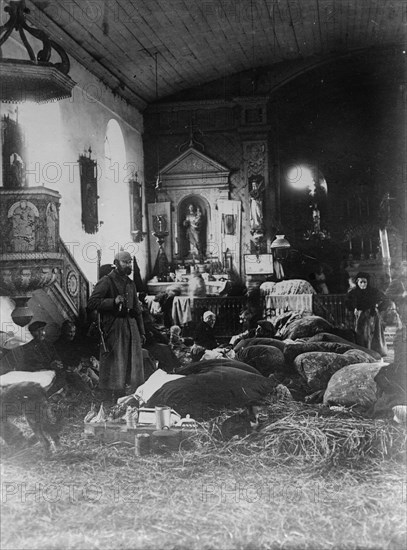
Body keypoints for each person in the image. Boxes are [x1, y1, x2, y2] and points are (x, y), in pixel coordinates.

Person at [87, 251, 146, 399]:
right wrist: (112, 301)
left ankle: (130, 397)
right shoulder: (106, 281)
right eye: (125, 262)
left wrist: (142, 331)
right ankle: (110, 398)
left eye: (130, 262)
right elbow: (92, 303)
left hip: (131, 327)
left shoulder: (131, 283)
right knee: (115, 365)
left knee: (132, 365)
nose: (128, 265)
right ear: (116, 262)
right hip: (114, 327)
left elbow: (137, 310)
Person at [345, 272, 388, 356]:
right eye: (361, 282)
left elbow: (386, 300)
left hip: (372, 315)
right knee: (361, 334)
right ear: (357, 282)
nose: (363, 284)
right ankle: (363, 351)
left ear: (368, 282)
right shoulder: (353, 292)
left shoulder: (373, 291)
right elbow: (348, 302)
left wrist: (378, 307)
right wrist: (354, 308)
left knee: (372, 333)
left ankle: (374, 351)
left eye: (365, 282)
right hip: (360, 316)